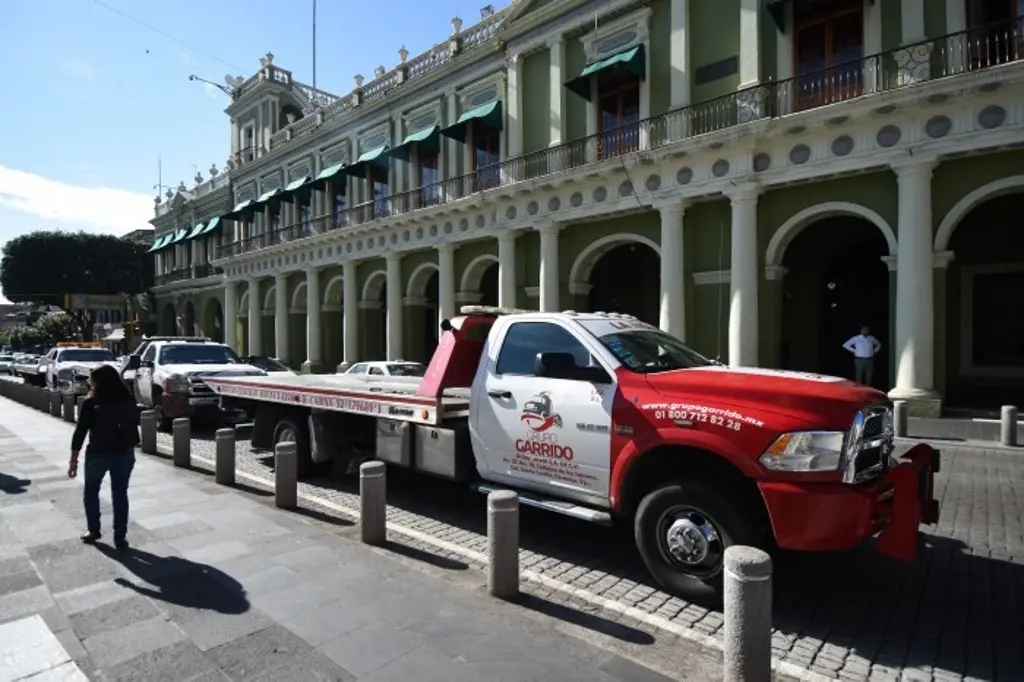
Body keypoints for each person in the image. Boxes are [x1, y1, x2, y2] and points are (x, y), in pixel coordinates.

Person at [67, 364, 140, 549]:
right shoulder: (128, 399)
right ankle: (120, 537)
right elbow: (135, 421)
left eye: (92, 378)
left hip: (98, 453)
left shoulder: (91, 402)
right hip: (124, 453)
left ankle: (93, 530)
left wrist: (73, 459)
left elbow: (81, 431)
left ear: (97, 381)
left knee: (91, 492)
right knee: (120, 495)